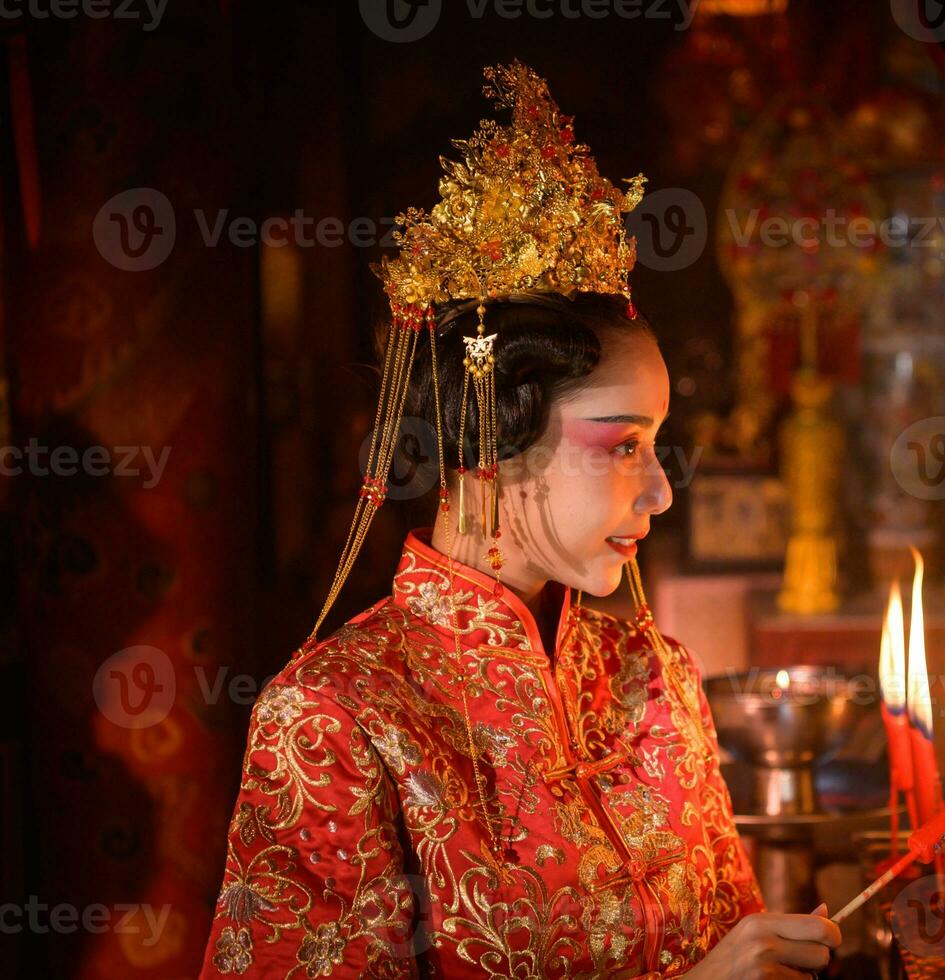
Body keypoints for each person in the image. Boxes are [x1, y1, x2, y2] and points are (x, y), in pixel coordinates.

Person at [199, 63, 840, 978]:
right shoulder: (338, 717)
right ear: (488, 444)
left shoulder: (654, 682)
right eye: (622, 445)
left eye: (655, 445)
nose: (659, 491)